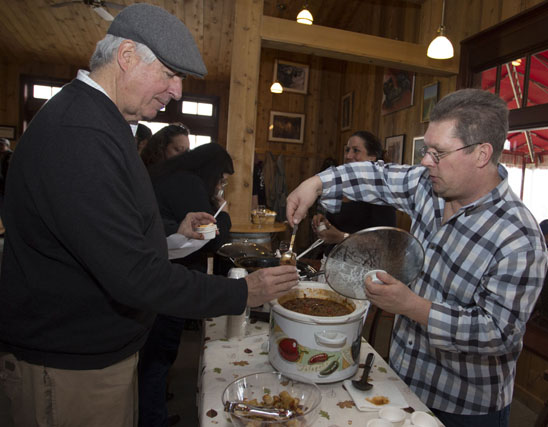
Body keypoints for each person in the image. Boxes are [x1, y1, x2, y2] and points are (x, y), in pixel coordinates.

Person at [0, 4, 298, 426]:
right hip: (67, 369)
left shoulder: (101, 122)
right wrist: (242, 292)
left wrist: (171, 232)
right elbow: (133, 275)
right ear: (126, 57)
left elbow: (102, 231)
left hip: (92, 355)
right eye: (170, 74)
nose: (177, 91)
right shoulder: (79, 135)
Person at [286, 89, 547, 426]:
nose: (426, 161)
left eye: (438, 153)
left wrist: (412, 306)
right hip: (403, 375)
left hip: (464, 404)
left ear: (481, 154)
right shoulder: (429, 186)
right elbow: (377, 176)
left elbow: (498, 333)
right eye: (427, 150)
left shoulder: (518, 239)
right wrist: (316, 184)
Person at [139, 143, 233, 427]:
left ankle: (153, 411)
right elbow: (213, 236)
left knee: (152, 356)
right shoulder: (189, 183)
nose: (220, 185)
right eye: (221, 179)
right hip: (168, 280)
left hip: (151, 274)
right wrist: (222, 212)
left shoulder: (170, 176)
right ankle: (153, 419)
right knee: (159, 354)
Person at [312, 131, 396, 250]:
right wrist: (324, 223)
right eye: (347, 150)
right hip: (331, 259)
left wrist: (342, 237)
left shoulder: (381, 193)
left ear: (372, 158)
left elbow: (385, 243)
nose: (348, 156)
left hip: (362, 265)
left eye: (356, 151)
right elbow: (338, 225)